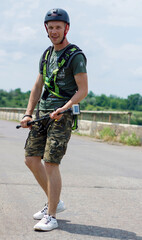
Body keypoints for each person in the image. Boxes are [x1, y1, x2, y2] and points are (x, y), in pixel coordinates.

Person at [20, 8, 88, 231]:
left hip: (62, 116)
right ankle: (55, 202)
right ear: (46, 30)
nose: (54, 31)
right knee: (31, 159)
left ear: (66, 28)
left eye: (58, 27)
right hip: (42, 115)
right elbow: (38, 86)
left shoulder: (75, 55)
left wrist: (64, 108)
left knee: (50, 162)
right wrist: (29, 113)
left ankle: (51, 216)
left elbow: (83, 90)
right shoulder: (47, 54)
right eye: (50, 28)